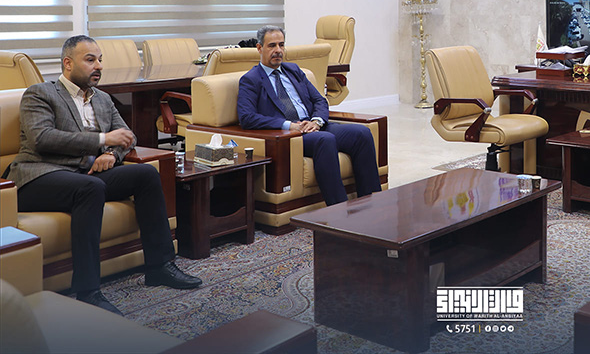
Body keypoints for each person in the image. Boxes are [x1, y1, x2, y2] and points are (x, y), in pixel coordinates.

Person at [9, 35, 201, 316]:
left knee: (146, 174)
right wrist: (102, 139)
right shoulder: (40, 93)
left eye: (100, 60)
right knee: (90, 188)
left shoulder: (102, 99)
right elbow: (42, 138)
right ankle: (88, 291)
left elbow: (127, 136)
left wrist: (111, 154)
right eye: (90, 60)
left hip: (84, 175)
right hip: (39, 175)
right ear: (67, 63)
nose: (98, 66)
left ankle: (160, 266)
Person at [237, 25, 381, 206]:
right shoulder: (251, 80)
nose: (278, 50)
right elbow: (247, 117)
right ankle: (339, 211)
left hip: (314, 125)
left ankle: (371, 205)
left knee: (362, 134)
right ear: (259, 48)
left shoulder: (294, 71)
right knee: (325, 140)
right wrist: (290, 125)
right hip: (290, 135)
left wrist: (317, 121)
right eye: (272, 45)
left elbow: (319, 100)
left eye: (281, 45)